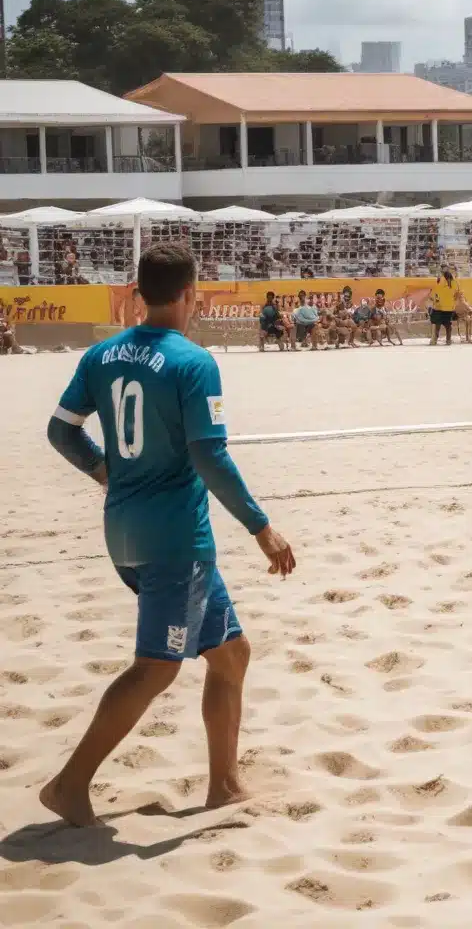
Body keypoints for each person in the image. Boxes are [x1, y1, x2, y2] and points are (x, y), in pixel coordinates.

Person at [41, 242, 295, 828]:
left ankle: (225, 786)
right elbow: (210, 458)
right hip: (176, 539)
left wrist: (106, 471)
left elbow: (61, 432)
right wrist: (263, 528)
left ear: (138, 291)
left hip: (124, 532)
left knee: (230, 654)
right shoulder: (192, 361)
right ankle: (69, 783)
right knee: (157, 667)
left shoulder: (101, 356)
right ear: (191, 293)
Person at [430, 264, 460, 346]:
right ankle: (448, 340)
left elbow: (436, 292)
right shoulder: (454, 281)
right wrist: (454, 302)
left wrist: (434, 301)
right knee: (448, 325)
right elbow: (457, 292)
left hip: (439, 306)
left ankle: (434, 340)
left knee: (437, 324)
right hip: (449, 307)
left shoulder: (440, 280)